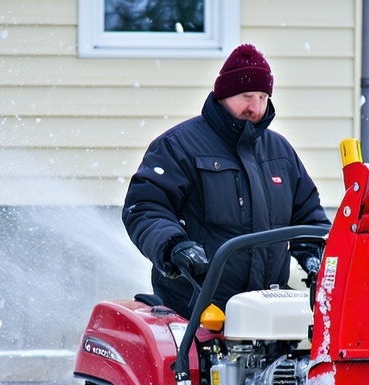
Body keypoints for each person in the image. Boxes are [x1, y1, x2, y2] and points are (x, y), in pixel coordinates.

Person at [122, 43, 330, 317]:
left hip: (268, 311)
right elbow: (146, 208)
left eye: (263, 97)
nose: (255, 107)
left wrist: (316, 252)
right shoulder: (179, 146)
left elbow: (309, 217)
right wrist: (175, 245)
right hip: (196, 311)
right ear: (224, 95)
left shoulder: (280, 153)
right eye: (246, 96)